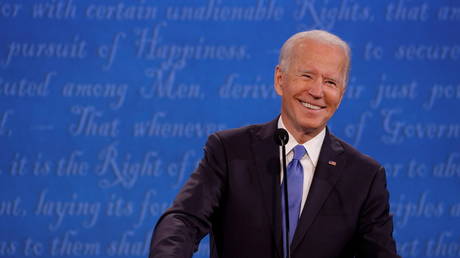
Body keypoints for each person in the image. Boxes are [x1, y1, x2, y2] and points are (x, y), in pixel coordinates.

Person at [149, 30, 400, 258]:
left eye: (330, 82)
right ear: (280, 80)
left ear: (341, 94)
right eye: (307, 75)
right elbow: (184, 220)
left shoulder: (364, 177)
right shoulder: (230, 150)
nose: (317, 91)